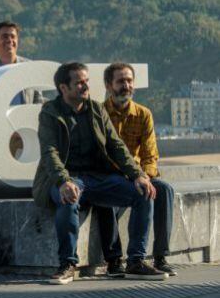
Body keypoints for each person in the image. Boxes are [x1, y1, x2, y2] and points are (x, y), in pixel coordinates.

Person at [33, 62, 166, 285]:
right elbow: (50, 152)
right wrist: (63, 181)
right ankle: (67, 264)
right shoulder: (50, 113)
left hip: (98, 178)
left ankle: (135, 261)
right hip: (66, 177)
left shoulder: (96, 109)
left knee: (143, 192)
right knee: (68, 198)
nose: (85, 86)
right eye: (79, 83)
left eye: (86, 81)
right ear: (63, 88)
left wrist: (137, 175)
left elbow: (116, 146)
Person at [96, 63, 176, 277]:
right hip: (111, 175)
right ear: (108, 85)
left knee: (164, 190)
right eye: (121, 81)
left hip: (139, 176)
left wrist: (145, 177)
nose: (126, 85)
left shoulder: (144, 114)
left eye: (130, 81)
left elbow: (151, 155)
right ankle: (114, 261)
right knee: (106, 198)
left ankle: (160, 256)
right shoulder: (99, 114)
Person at [0, 21, 42, 104]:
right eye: (5, 37)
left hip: (23, 116)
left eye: (13, 37)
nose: (10, 40)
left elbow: (38, 100)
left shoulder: (30, 68)